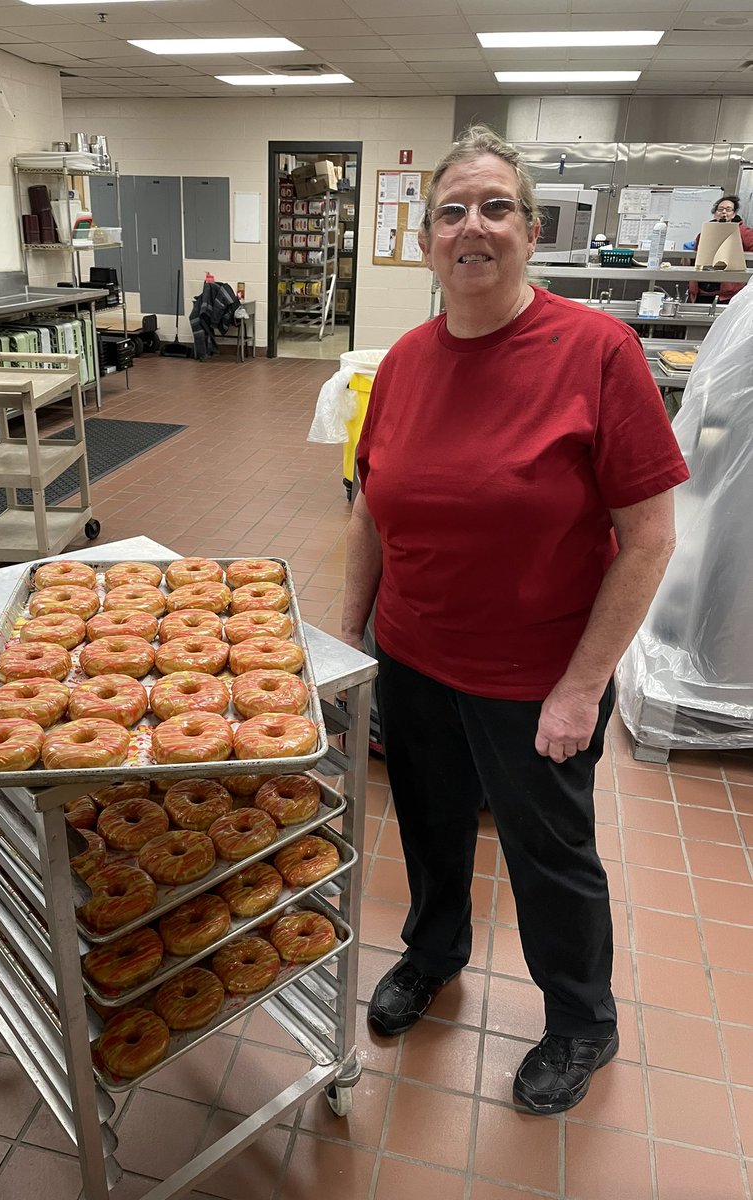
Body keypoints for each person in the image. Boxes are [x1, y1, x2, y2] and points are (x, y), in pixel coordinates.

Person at [341, 125, 689, 1115]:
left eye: (496, 207)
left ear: (530, 232)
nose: (472, 226)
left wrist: (582, 687)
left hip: (535, 679)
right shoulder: (405, 362)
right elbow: (373, 506)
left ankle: (583, 1020)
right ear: (427, 242)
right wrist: (348, 640)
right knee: (431, 828)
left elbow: (651, 535)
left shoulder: (597, 352)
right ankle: (433, 952)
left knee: (550, 859)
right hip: (412, 659)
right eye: (452, 210)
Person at [688, 194, 753, 304]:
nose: (724, 212)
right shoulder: (705, 232)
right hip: (702, 289)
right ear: (714, 213)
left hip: (728, 292)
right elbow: (696, 257)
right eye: (720, 209)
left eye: (728, 209)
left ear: (734, 214)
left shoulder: (743, 232)